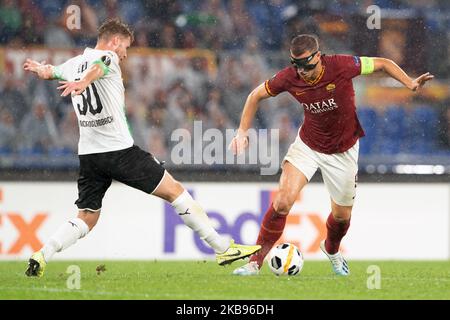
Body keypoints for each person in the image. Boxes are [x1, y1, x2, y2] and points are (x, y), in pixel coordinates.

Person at [23, 18, 260, 277]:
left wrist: (43, 69)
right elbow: (100, 67)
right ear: (114, 42)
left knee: (87, 216)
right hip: (120, 152)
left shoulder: (72, 64)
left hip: (90, 156)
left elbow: (53, 72)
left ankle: (42, 254)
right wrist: (85, 81)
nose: (124, 54)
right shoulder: (108, 58)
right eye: (124, 47)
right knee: (176, 192)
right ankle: (221, 246)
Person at [230, 34, 433, 276]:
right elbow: (255, 95)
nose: (303, 72)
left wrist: (408, 83)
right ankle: (255, 262)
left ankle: (332, 250)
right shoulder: (289, 77)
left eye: (308, 65)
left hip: (343, 152)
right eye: (298, 66)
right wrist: (242, 131)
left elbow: (382, 63)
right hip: (308, 146)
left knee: (341, 216)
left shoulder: (342, 65)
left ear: (319, 56)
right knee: (283, 201)